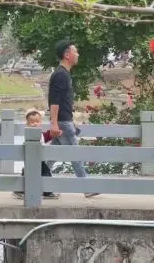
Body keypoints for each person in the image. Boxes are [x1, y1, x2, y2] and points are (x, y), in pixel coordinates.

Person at [49, 40, 98, 198]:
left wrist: (70, 120)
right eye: (75, 51)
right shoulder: (60, 75)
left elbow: (63, 102)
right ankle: (86, 187)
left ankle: (27, 183)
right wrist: (54, 123)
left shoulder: (64, 74)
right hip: (63, 122)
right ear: (67, 55)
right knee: (75, 154)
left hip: (65, 121)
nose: (78, 54)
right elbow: (54, 102)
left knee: (50, 157)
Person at [13, 109, 59, 200]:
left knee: (43, 173)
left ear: (40, 123)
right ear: (27, 124)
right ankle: (46, 192)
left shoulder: (41, 133)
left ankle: (46, 191)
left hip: (39, 159)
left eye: (37, 121)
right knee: (34, 174)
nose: (35, 124)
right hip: (31, 159)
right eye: (32, 122)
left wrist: (54, 133)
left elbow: (46, 136)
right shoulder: (28, 133)